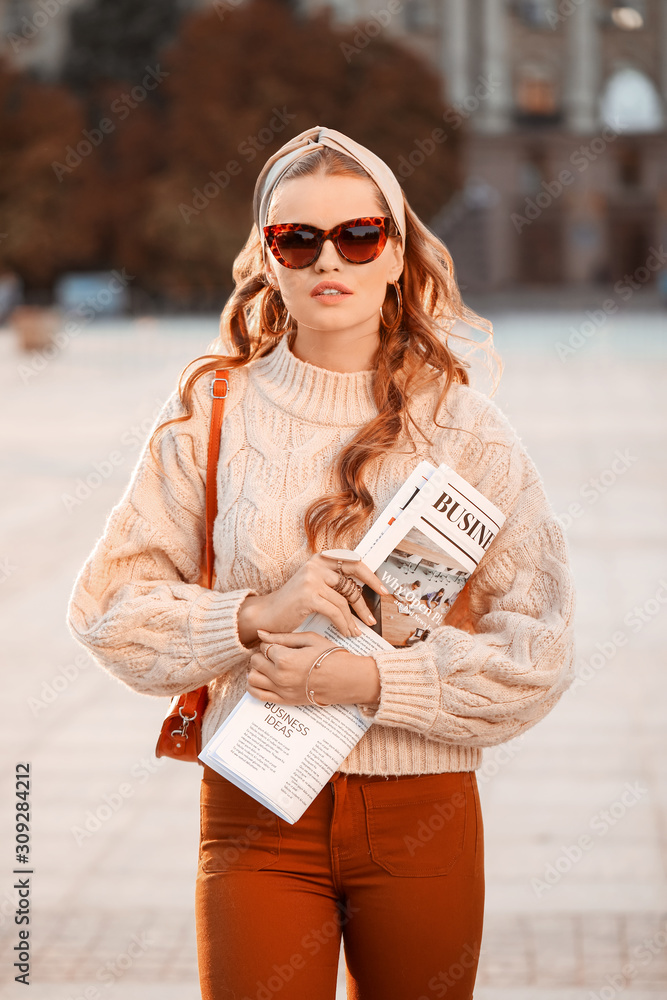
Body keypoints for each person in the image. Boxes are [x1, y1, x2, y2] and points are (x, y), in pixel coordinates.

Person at [66, 125, 576, 1000]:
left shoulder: (466, 432)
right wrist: (249, 615)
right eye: (295, 239)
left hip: (423, 813)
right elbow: (108, 611)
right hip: (256, 813)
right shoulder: (209, 415)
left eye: (357, 235)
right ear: (267, 259)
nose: (325, 259)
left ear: (395, 253)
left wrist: (369, 683)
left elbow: (540, 654)